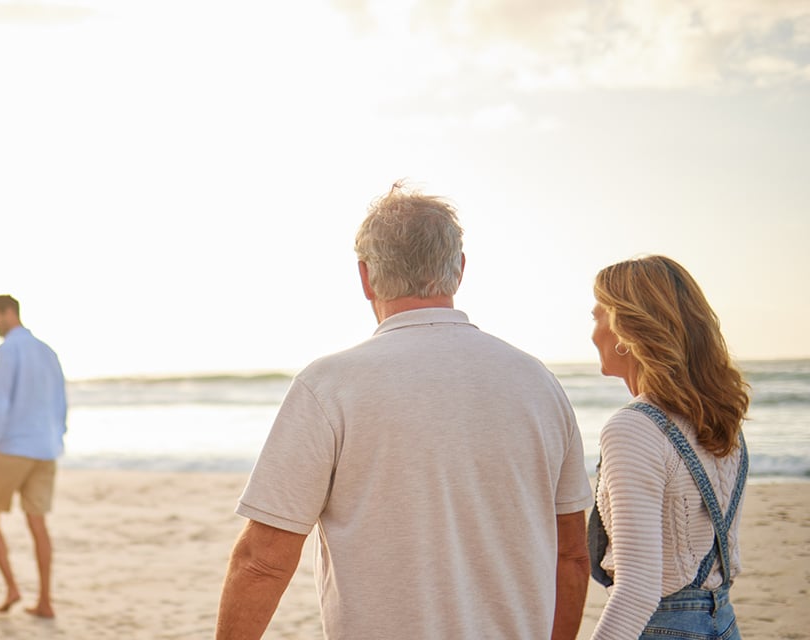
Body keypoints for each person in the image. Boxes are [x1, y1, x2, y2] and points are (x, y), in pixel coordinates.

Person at [215, 182, 593, 639]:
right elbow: (572, 555)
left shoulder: (329, 386)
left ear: (365, 277)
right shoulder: (539, 384)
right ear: (460, 271)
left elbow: (262, 560)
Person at [587, 255, 749, 639]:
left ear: (626, 331)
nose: (592, 332)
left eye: (596, 316)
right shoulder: (722, 420)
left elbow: (638, 589)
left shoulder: (633, 427)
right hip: (721, 622)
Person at [0, 294, 67, 619]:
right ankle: (45, 601)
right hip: (46, 449)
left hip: (13, 447)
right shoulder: (48, 351)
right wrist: (56, 437)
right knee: (38, 522)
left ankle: (11, 587)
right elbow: (60, 403)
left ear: (8, 313)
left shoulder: (8, 349)